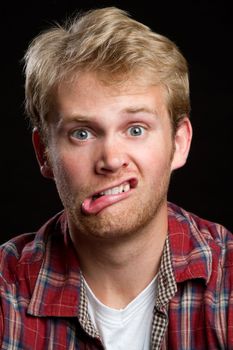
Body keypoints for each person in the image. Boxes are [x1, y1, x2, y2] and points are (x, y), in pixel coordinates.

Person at [0, 6, 232, 350]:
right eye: (82, 134)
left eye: (135, 129)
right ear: (44, 152)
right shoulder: (7, 290)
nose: (111, 159)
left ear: (179, 143)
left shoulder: (227, 280)